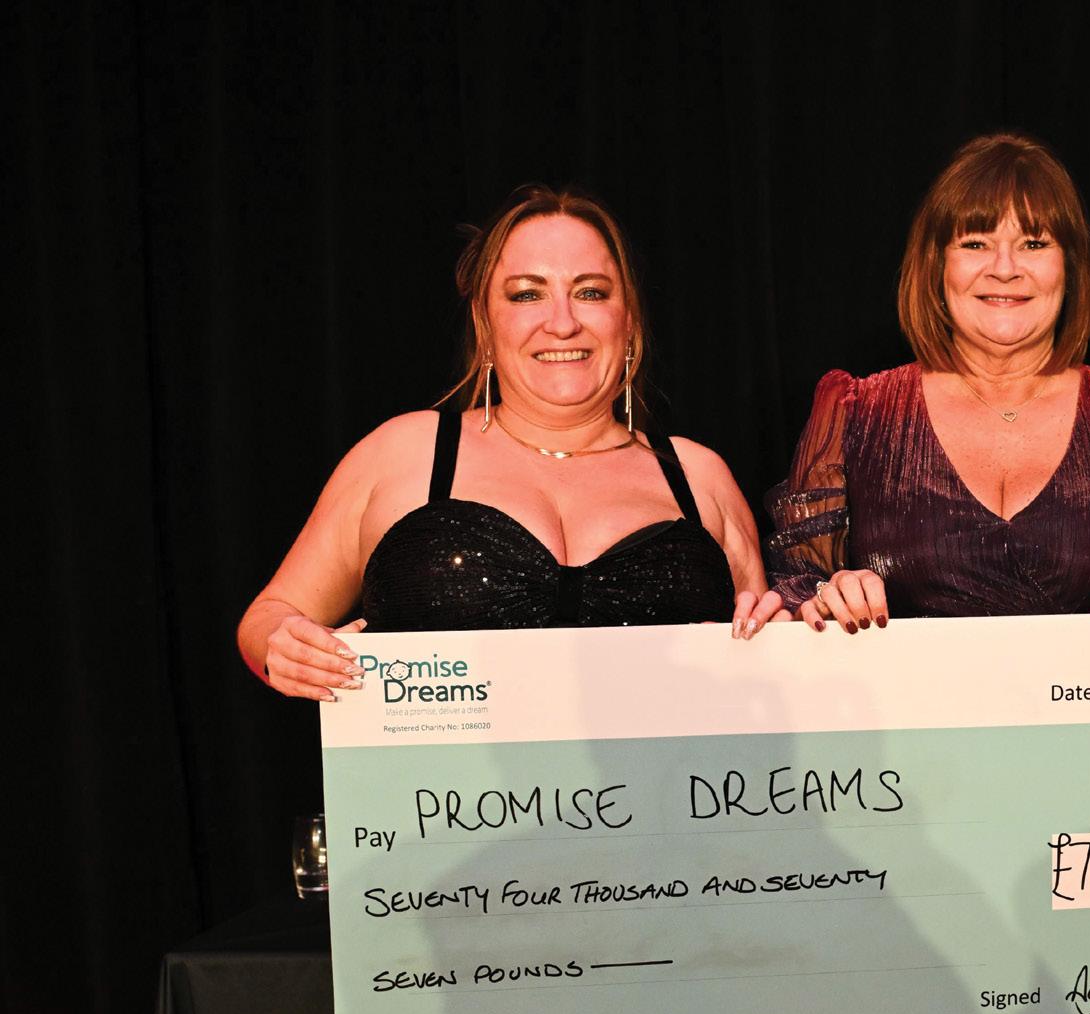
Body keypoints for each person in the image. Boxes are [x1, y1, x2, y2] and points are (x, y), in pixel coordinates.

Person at [239, 186, 785, 701]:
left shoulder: (698, 475)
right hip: (438, 776)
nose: (563, 323)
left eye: (590, 292)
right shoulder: (402, 453)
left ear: (629, 321)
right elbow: (269, 616)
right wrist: (284, 646)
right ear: (485, 323)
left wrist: (786, 640)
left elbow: (763, 648)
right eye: (527, 294)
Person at [765, 133, 1090, 631]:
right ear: (937, 264)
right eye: (976, 244)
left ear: (1070, 265)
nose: (1005, 270)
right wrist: (824, 597)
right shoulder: (855, 414)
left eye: (1034, 244)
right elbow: (796, 593)